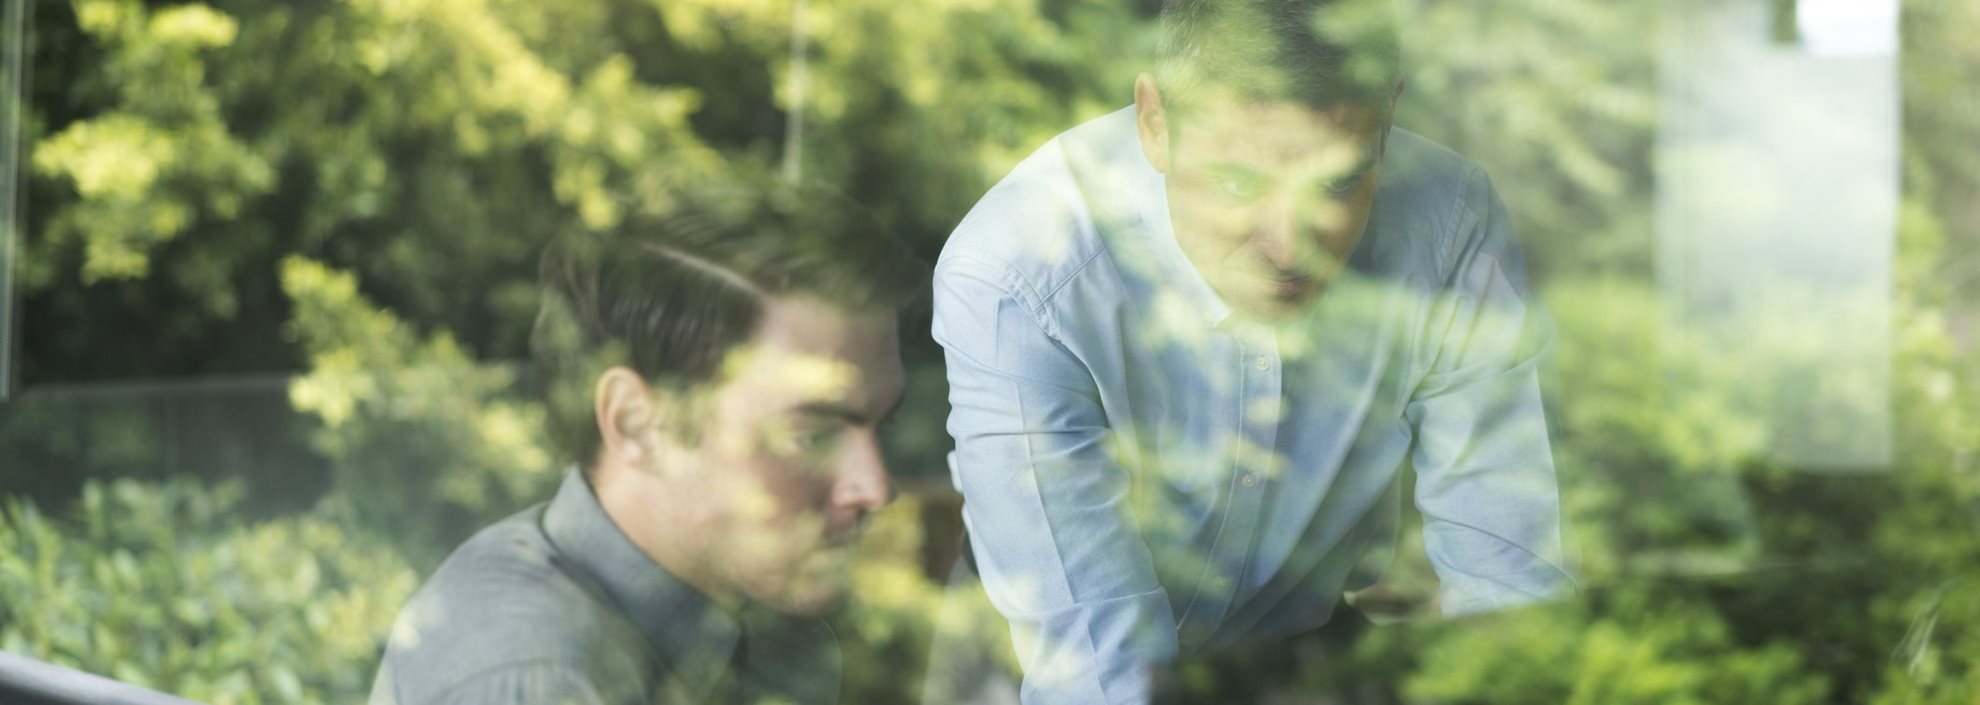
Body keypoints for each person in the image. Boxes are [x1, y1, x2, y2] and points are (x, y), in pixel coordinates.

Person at [928, 1, 1577, 702]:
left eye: (1335, 183)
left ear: (1388, 120)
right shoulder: (1020, 275)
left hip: (1298, 664)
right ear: (1156, 122)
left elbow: (1508, 582)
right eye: (1240, 183)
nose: (1289, 247)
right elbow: (1098, 670)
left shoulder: (1448, 224)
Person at [367, 188, 927, 705]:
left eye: (881, 426)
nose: (875, 487)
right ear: (637, 424)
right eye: (813, 434)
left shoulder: (762, 632)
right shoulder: (539, 675)